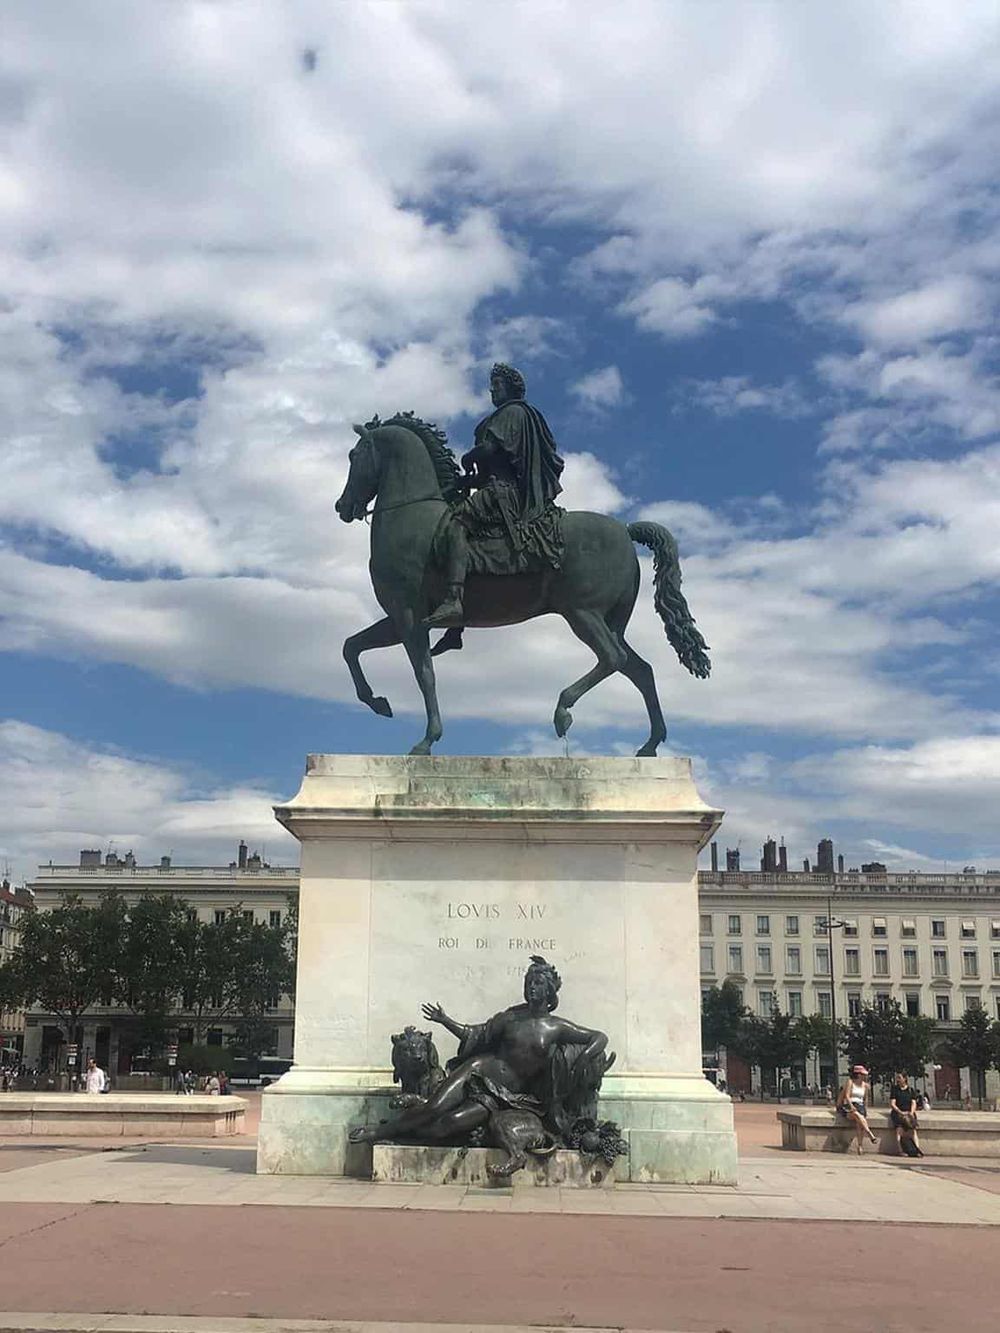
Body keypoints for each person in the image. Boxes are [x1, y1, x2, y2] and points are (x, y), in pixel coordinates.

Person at [349, 956, 607, 1145]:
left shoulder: (556, 1027)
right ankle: (380, 1132)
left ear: (549, 989)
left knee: (449, 1123)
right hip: (477, 1071)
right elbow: (476, 1034)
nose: (531, 987)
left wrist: (584, 1057)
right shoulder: (511, 1017)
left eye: (537, 983)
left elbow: (599, 1037)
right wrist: (445, 1020)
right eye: (528, 982)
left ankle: (404, 1131)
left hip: (504, 1096)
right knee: (434, 1108)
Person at [424, 363, 566, 627]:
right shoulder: (509, 415)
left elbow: (489, 449)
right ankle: (455, 629)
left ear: (510, 388)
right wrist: (466, 481)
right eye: (492, 385)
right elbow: (490, 468)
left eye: (497, 385)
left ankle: (453, 599)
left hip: (503, 492)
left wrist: (469, 456)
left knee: (456, 525)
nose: (492, 389)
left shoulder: (512, 412)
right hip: (494, 487)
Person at [837, 1064, 878, 1154]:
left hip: (860, 1106)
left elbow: (865, 1099)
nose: (866, 1076)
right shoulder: (850, 1082)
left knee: (860, 1123)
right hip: (850, 1105)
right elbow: (847, 1096)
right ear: (859, 1075)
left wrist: (866, 1109)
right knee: (856, 1114)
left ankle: (860, 1146)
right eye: (864, 1074)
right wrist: (851, 1106)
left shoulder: (865, 1086)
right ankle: (869, 1133)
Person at [890, 1072, 923, 1157]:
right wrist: (900, 1112)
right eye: (897, 1078)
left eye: (899, 1078)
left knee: (913, 1131)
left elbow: (913, 1103)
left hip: (909, 1112)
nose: (898, 1080)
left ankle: (917, 1150)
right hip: (898, 1113)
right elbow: (892, 1104)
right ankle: (901, 1150)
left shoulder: (911, 1090)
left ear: (904, 1079)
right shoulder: (895, 1090)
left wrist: (911, 1113)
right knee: (899, 1130)